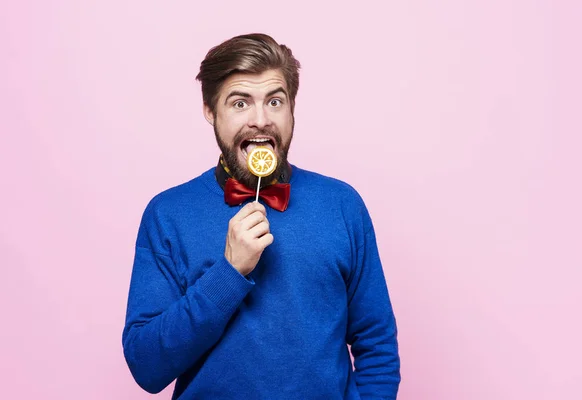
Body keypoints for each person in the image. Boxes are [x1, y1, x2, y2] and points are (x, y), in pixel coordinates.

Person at [122, 33, 400, 399]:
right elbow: (146, 366)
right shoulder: (167, 214)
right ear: (210, 111)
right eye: (240, 103)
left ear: (292, 108)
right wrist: (229, 273)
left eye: (274, 101)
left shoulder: (342, 205)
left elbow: (377, 346)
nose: (260, 120)